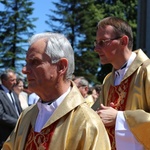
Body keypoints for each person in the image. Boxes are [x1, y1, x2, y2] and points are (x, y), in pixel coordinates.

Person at [2, 32, 111, 150]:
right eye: (26, 63)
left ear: (61, 66)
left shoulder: (87, 124)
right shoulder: (26, 116)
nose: (24, 70)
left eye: (35, 62)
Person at [92, 16, 150, 150]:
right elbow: (92, 115)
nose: (96, 48)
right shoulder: (108, 80)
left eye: (102, 42)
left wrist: (119, 118)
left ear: (123, 41)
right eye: (96, 43)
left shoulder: (146, 72)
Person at [0, 69, 22, 149]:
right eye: (12, 80)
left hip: (16, 135)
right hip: (5, 136)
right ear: (4, 81)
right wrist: (18, 123)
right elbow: (1, 115)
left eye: (15, 79)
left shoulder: (13, 93)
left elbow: (19, 110)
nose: (15, 82)